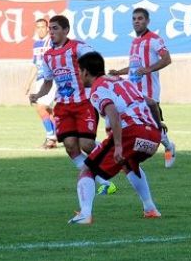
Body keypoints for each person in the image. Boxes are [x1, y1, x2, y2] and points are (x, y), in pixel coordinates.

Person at [69, 51, 162, 224]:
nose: (78, 76)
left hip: (131, 132)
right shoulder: (121, 81)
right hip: (153, 137)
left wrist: (118, 145)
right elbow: (151, 102)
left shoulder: (97, 89)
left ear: (85, 72)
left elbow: (112, 112)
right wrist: (158, 125)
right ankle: (150, 209)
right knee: (129, 164)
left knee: (88, 170)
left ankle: (85, 214)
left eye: (79, 71)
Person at [29, 15, 116, 195]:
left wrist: (103, 79)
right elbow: (48, 82)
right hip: (63, 105)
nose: (51, 32)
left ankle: (115, 152)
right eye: (50, 29)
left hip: (84, 102)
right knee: (70, 146)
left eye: (55, 29)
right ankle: (103, 181)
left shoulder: (78, 48)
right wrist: (37, 94)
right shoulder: (48, 56)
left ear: (66, 30)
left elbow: (96, 62)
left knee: (86, 145)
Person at [108, 8, 176, 168]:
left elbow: (167, 59)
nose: (137, 21)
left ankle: (168, 146)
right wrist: (119, 72)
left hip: (149, 92)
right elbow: (134, 67)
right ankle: (130, 155)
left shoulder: (154, 39)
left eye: (140, 18)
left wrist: (149, 69)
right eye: (134, 19)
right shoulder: (134, 42)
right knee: (135, 125)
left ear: (147, 21)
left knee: (152, 127)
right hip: (134, 93)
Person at [23, 18, 58, 149]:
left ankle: (50, 137)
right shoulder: (37, 44)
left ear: (48, 28)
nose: (40, 30)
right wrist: (28, 83)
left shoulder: (52, 42)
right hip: (40, 79)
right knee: (48, 110)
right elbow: (35, 65)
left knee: (41, 107)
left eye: (43, 27)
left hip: (50, 80)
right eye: (38, 27)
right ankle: (54, 138)